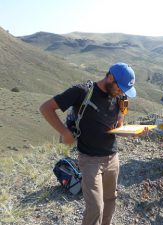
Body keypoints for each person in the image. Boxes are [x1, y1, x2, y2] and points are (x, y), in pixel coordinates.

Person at [40, 62, 147, 225]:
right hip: (90, 159)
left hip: (112, 157)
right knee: (96, 208)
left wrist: (133, 132)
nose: (121, 92)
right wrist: (64, 132)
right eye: (120, 87)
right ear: (110, 77)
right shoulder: (82, 91)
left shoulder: (120, 98)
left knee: (111, 199)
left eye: (125, 90)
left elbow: (118, 127)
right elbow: (46, 108)